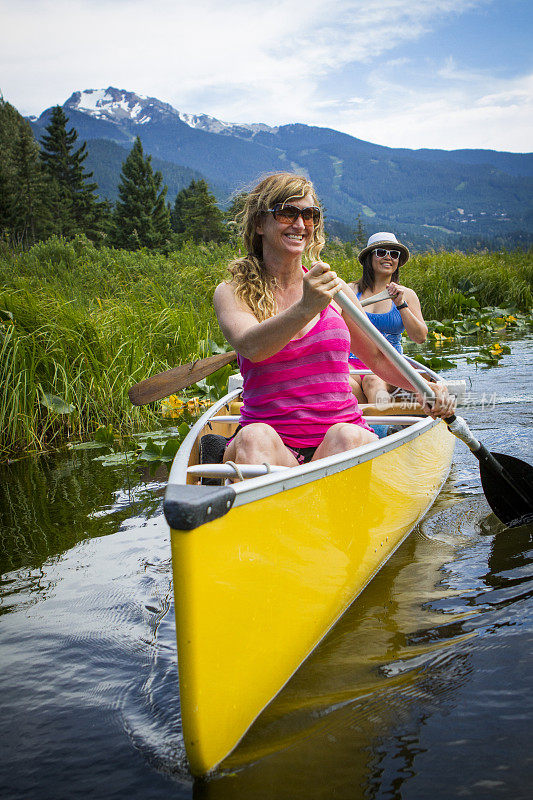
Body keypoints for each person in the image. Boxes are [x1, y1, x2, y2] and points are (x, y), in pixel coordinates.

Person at [213, 174, 453, 468]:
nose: (300, 224)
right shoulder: (233, 292)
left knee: (349, 436)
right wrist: (305, 308)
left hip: (338, 437)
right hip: (273, 447)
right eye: (287, 212)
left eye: (309, 215)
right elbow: (252, 347)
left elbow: (377, 357)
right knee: (254, 438)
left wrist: (424, 387)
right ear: (260, 224)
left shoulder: (336, 291)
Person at [348, 232, 428, 405]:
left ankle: (380, 430)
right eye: (381, 252)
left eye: (394, 254)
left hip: (390, 365)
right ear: (369, 257)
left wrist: (401, 304)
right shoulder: (350, 291)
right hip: (351, 364)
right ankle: (362, 423)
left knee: (373, 381)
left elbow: (420, 337)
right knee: (344, 382)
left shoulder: (408, 295)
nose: (388, 257)